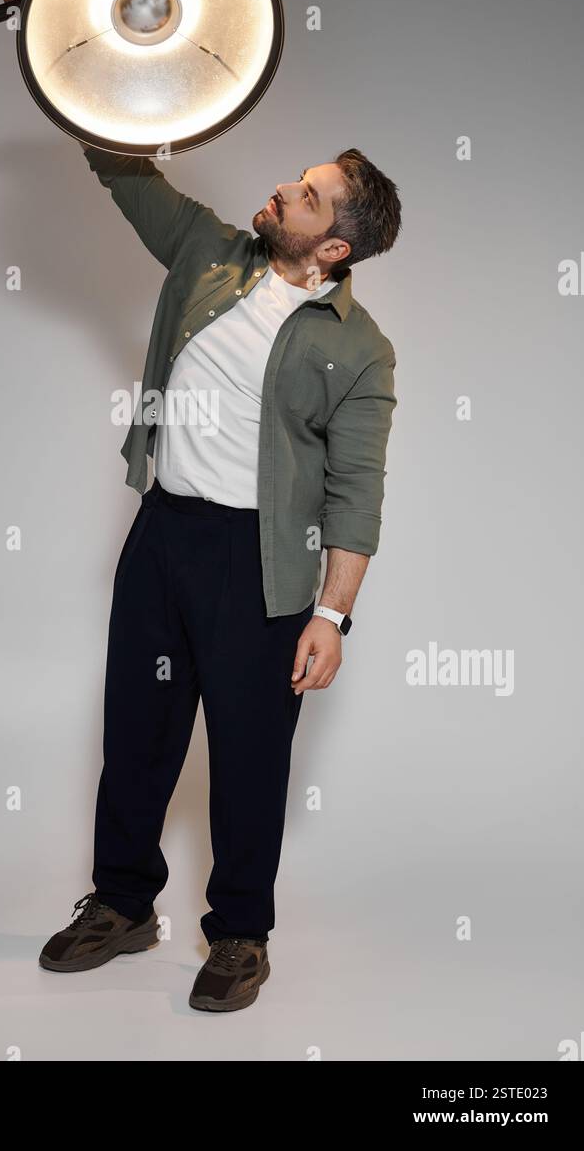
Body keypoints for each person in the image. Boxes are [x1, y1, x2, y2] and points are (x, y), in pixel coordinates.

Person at [39, 136, 401, 1012]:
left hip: (261, 566)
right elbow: (125, 171)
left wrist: (334, 616)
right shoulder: (208, 249)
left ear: (335, 247)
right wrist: (83, 64)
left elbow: (356, 491)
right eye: (298, 179)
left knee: (248, 758)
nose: (282, 187)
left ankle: (241, 933)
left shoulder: (361, 351)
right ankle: (124, 904)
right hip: (163, 535)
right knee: (136, 733)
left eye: (308, 195)